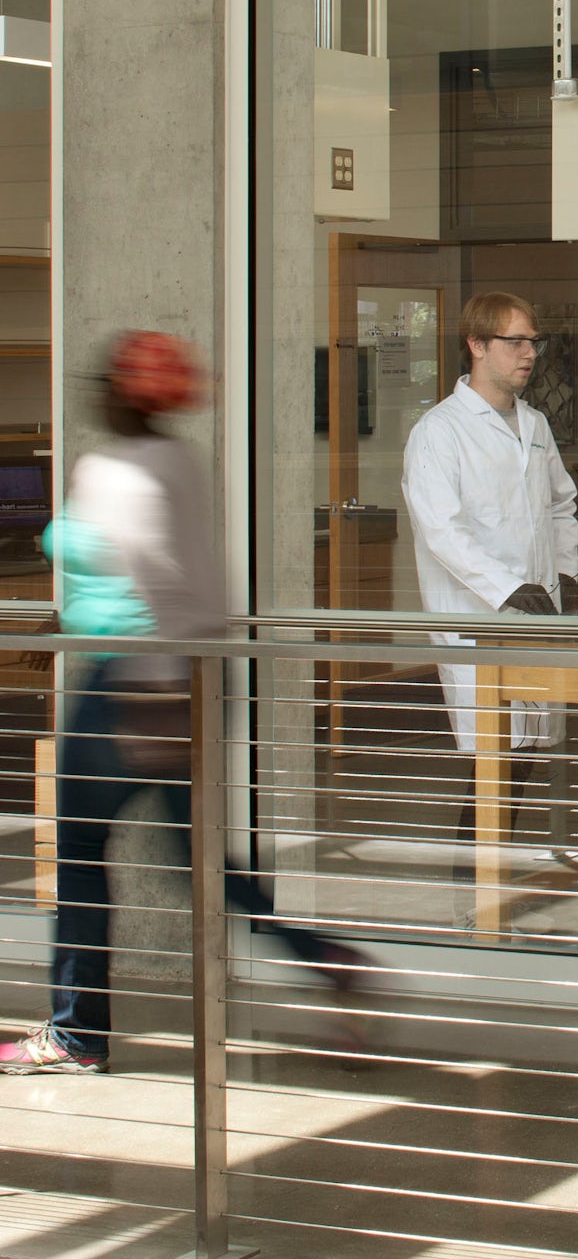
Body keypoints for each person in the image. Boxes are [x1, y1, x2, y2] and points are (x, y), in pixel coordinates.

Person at [1, 332, 372, 1078]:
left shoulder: (112, 469)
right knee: (200, 862)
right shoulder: (178, 459)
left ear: (118, 394)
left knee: (76, 853)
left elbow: (146, 577)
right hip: (199, 678)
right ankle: (322, 956)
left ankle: (77, 1033)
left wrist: (106, 638)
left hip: (132, 685)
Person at [402, 294, 578, 853]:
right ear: (477, 345)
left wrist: (565, 572)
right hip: (477, 616)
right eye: (516, 342)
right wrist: (507, 588)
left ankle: (488, 876)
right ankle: (473, 884)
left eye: (534, 342)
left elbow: (560, 505)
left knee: (524, 756)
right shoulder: (439, 431)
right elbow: (443, 530)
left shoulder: (534, 423)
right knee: (492, 760)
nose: (530, 354)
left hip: (537, 614)